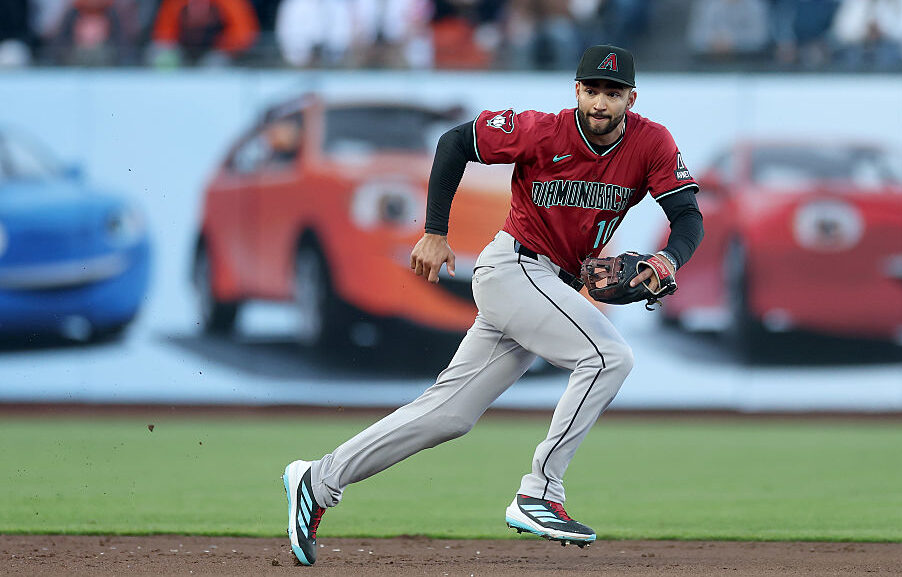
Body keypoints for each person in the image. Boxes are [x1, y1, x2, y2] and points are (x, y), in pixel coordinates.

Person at [282, 44, 704, 567]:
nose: (600, 102)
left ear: (631, 99)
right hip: (514, 268)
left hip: (549, 282)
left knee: (448, 415)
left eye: (612, 94)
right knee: (609, 358)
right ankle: (540, 492)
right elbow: (455, 141)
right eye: (592, 90)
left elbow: (687, 216)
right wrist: (435, 231)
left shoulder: (651, 143)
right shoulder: (540, 131)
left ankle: (317, 479)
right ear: (576, 90)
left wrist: (667, 261)